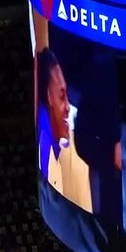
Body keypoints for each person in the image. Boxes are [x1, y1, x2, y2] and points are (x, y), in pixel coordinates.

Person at [36, 46, 93, 212]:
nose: (68, 107)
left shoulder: (68, 150)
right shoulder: (45, 152)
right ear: (48, 96)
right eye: (62, 96)